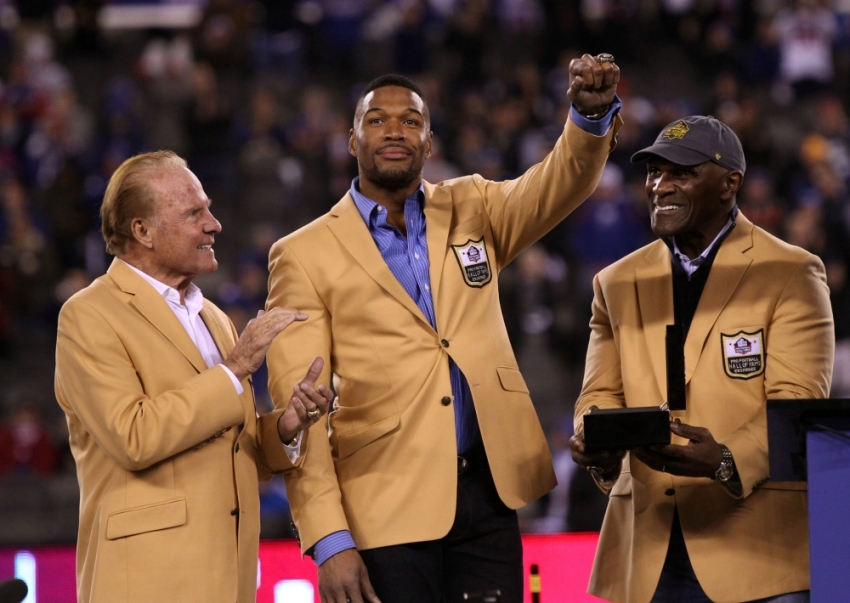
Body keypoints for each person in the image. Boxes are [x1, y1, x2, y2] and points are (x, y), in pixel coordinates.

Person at [265, 56, 622, 603]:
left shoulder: (473, 205)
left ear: (429, 143)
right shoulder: (303, 255)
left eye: (411, 121)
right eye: (377, 119)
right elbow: (301, 412)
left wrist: (588, 121)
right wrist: (329, 539)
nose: (394, 130)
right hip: (383, 506)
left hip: (488, 493)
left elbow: (558, 184)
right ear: (351, 138)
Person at [570, 116, 834, 603]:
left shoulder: (791, 272)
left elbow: (795, 404)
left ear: (729, 183)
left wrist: (726, 460)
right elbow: (599, 393)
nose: (659, 186)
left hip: (758, 550)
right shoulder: (616, 282)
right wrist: (597, 441)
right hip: (647, 550)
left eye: (681, 173)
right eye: (653, 173)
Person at [54, 150, 333, 603]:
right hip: (146, 584)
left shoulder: (215, 318)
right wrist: (236, 368)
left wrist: (286, 426)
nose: (214, 223)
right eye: (193, 212)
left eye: (207, 208)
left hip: (231, 580)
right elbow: (134, 437)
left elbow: (231, 448)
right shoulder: (88, 316)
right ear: (141, 230)